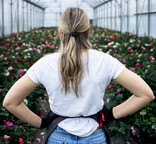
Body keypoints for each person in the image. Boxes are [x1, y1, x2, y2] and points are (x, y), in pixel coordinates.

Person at [3, 7, 155, 144]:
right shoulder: (105, 60)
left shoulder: (46, 63)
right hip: (95, 136)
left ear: (60, 32)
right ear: (88, 32)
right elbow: (145, 94)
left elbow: (10, 102)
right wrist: (110, 115)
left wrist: (40, 123)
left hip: (58, 136)